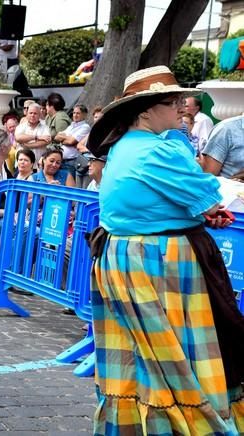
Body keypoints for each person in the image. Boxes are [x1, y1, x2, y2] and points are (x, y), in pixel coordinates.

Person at [86, 65, 244, 434]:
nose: (183, 108)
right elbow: (207, 194)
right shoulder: (158, 149)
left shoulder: (126, 144)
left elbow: (187, 199)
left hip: (127, 256)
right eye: (172, 103)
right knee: (177, 356)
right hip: (158, 261)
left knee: (141, 357)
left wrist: (205, 210)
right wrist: (209, 208)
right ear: (145, 111)